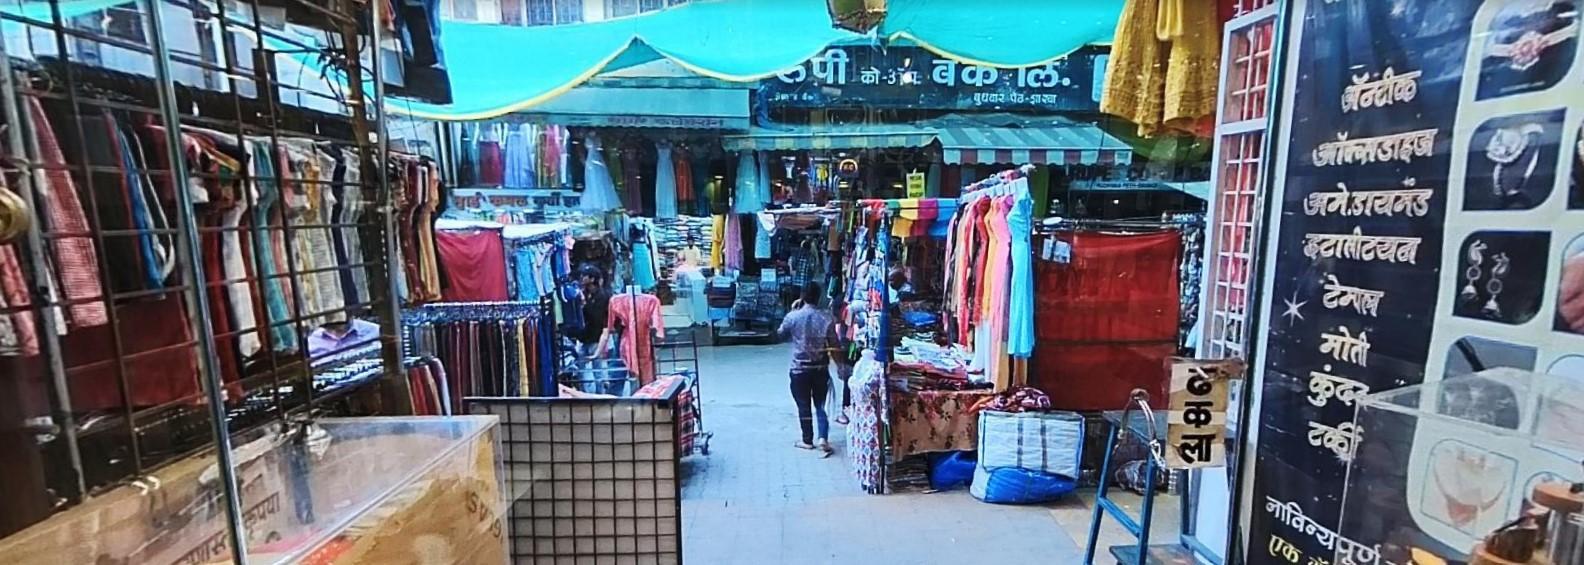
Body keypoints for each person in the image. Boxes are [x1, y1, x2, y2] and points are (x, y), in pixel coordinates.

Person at [779, 282, 837, 456]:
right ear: (819, 297)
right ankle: (823, 438)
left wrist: (792, 310)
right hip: (820, 369)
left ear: (802, 296)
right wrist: (841, 365)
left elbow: (781, 333)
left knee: (803, 406)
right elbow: (834, 343)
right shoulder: (826, 318)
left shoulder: (793, 317)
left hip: (799, 370)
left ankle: (807, 440)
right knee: (820, 405)